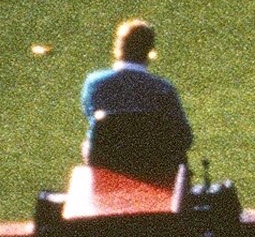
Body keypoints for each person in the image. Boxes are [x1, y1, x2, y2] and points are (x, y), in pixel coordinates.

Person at [76, 19, 192, 182]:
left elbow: (91, 118)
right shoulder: (163, 88)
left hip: (107, 164)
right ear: (149, 51)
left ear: (118, 48)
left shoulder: (95, 83)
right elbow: (184, 137)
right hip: (156, 166)